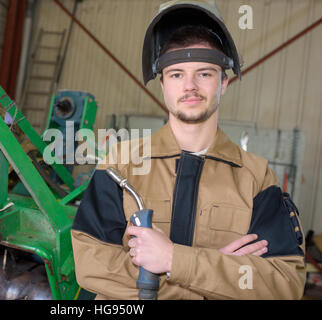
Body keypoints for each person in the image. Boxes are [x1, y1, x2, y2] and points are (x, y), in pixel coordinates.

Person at [71, 0, 306, 300]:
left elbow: (284, 284)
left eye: (205, 73)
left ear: (224, 83)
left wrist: (172, 260)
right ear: (163, 85)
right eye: (177, 74)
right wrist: (210, 277)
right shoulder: (120, 165)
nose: (190, 86)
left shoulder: (257, 178)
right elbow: (92, 265)